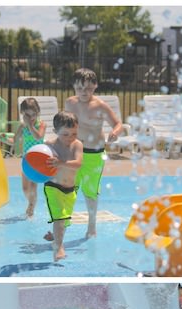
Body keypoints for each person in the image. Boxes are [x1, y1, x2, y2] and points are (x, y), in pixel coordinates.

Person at [63, 67, 124, 239]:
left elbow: (118, 124)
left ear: (95, 86)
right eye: (80, 88)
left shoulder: (100, 106)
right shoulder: (70, 103)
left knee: (90, 191)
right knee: (67, 188)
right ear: (74, 86)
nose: (84, 92)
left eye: (89, 88)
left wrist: (115, 133)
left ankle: (91, 225)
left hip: (94, 154)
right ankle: (62, 225)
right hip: (74, 152)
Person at [42, 111, 83, 262]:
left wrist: (61, 163)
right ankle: (59, 247)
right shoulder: (49, 146)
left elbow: (78, 164)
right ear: (55, 132)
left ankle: (55, 235)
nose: (70, 138)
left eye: (74, 134)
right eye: (65, 134)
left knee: (65, 220)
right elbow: (38, 163)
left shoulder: (77, 145)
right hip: (53, 186)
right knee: (60, 216)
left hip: (70, 189)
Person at [11, 98, 47, 218]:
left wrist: (31, 125)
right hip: (26, 160)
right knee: (25, 188)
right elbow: (14, 140)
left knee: (33, 186)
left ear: (38, 112)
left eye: (33, 114)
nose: (31, 117)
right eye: (27, 114)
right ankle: (31, 202)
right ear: (22, 114)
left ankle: (32, 206)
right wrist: (4, 139)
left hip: (38, 160)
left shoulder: (41, 124)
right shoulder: (22, 127)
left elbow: (38, 137)